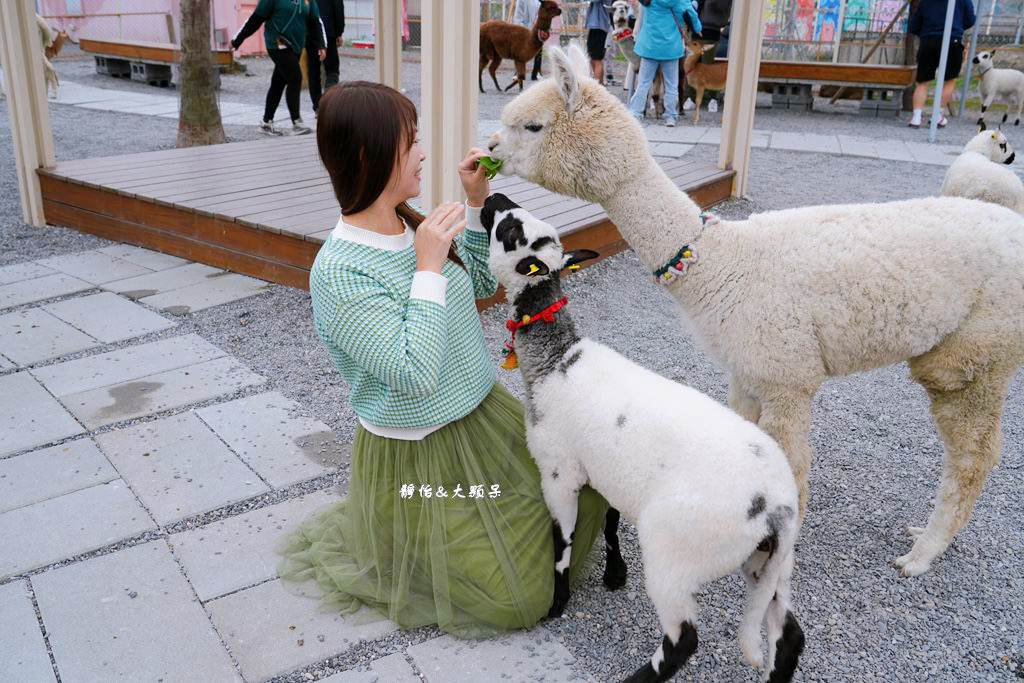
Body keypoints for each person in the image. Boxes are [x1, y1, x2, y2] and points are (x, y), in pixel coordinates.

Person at [276, 81, 609, 639]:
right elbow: (414, 372)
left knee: (584, 490)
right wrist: (427, 269)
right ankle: (409, 536)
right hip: (419, 458)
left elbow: (477, 282)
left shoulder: (412, 222)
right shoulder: (338, 272)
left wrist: (476, 202)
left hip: (482, 420)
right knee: (515, 594)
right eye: (412, 142)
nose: (424, 153)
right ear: (369, 154)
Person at [232, 0, 327, 136]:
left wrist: (321, 44)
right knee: (295, 77)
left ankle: (266, 123)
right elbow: (256, 18)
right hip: (276, 41)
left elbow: (315, 22)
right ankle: (296, 122)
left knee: (278, 82)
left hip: (296, 45)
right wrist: (237, 40)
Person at [628, 0, 701, 127]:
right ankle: (670, 117)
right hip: (671, 49)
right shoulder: (680, 1)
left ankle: (635, 113)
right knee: (671, 85)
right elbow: (692, 14)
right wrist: (698, 28)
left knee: (643, 83)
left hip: (649, 47)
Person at [907, 0, 976, 129]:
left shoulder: (925, 2)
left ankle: (916, 117)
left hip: (928, 40)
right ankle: (937, 115)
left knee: (923, 81)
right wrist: (957, 25)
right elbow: (970, 20)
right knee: (949, 79)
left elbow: (915, 25)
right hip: (953, 40)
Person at [306, 0, 344, 114]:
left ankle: (318, 106)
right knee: (332, 70)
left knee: (313, 71)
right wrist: (339, 32)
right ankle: (329, 103)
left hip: (309, 34)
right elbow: (338, 9)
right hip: (328, 32)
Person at [513, 0, 545, 81]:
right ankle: (518, 72)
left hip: (538, 28)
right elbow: (518, 14)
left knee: (539, 49)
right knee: (521, 51)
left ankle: (536, 73)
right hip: (524, 27)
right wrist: (520, 27)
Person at [586, 0, 613, 85]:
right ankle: (598, 85)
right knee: (592, 57)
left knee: (596, 58)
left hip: (599, 26)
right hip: (596, 25)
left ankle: (598, 87)